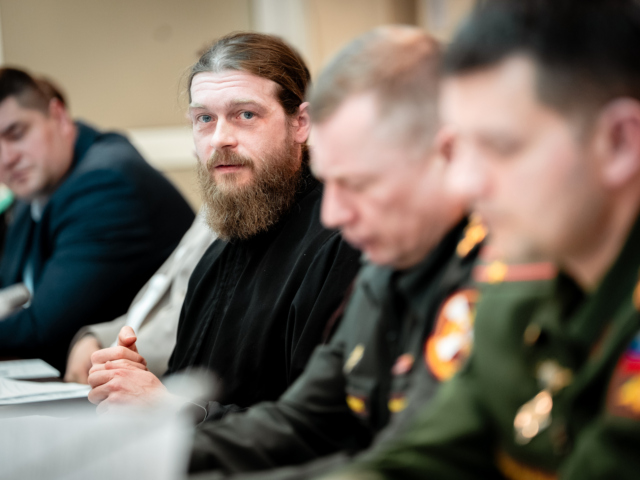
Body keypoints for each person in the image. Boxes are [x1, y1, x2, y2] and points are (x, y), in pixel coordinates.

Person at [329, 1, 640, 479]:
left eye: (500, 147)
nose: (463, 183)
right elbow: (421, 461)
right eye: (458, 148)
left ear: (620, 142)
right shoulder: (512, 298)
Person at [180, 26, 498, 479]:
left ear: (446, 155)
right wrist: (149, 457)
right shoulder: (384, 272)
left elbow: (418, 463)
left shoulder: (501, 272)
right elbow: (304, 421)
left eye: (359, 183)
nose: (332, 213)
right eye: (329, 182)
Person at [86, 32, 361, 418]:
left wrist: (173, 410)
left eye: (245, 115)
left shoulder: (343, 240)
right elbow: (190, 396)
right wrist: (137, 387)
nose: (220, 139)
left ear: (301, 123)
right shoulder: (216, 253)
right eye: (204, 119)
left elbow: (319, 428)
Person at [0, 68, 194, 372]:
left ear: (58, 116)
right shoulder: (35, 187)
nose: (6, 158)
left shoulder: (106, 182)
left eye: (17, 134)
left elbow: (44, 331)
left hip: (154, 383)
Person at [64, 212, 216, 383]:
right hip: (133, 366)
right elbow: (152, 301)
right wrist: (97, 338)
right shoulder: (208, 210)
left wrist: (110, 359)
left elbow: (187, 324)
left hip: (167, 383)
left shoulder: (227, 209)